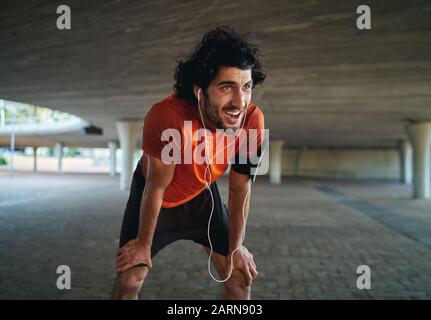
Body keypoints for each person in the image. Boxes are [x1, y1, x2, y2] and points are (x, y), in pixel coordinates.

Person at [111, 26, 267, 300]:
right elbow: (156, 186)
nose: (239, 101)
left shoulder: (253, 121)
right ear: (199, 91)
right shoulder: (166, 116)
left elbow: (240, 188)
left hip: (202, 195)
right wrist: (144, 244)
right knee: (129, 281)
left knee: (239, 277)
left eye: (246, 87)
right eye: (226, 87)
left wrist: (236, 246)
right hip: (158, 198)